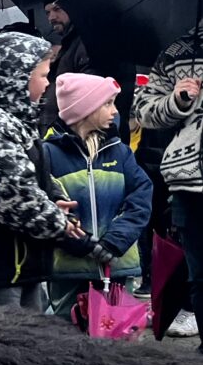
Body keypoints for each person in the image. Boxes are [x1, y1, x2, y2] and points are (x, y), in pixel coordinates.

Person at [0, 32, 86, 310]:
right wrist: (60, 225)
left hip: (18, 263)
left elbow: (31, 176)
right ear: (16, 78)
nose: (48, 83)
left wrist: (51, 195)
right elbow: (15, 199)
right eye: (43, 75)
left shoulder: (15, 121)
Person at [43, 74, 152, 316]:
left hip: (117, 265)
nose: (115, 111)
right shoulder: (48, 154)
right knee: (68, 335)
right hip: (70, 266)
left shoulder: (120, 153)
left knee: (116, 336)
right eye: (107, 103)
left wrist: (116, 239)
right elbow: (48, 205)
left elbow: (140, 197)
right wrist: (77, 242)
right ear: (85, 109)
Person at [134, 29, 203, 346]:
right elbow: (142, 109)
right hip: (190, 182)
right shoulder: (178, 51)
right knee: (199, 275)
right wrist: (177, 100)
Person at [39, 0, 134, 141]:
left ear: (74, 9)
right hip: (74, 138)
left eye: (57, 9)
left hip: (87, 140)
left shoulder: (90, 43)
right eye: (48, 12)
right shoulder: (72, 44)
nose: (51, 17)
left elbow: (88, 99)